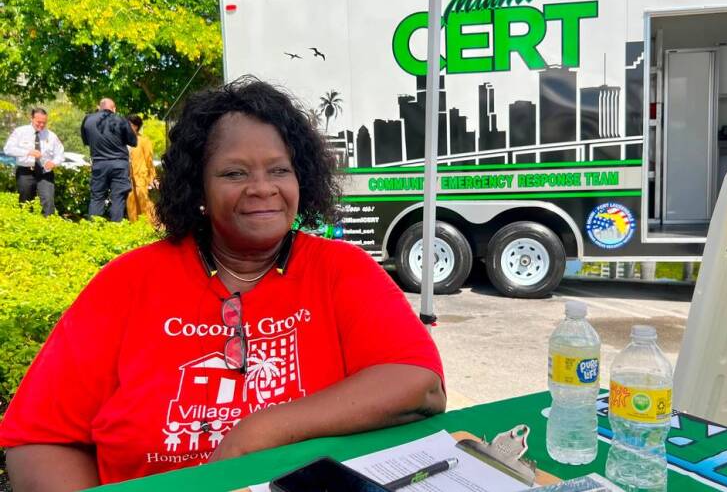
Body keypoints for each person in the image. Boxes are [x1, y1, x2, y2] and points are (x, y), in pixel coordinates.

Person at [0, 78, 446, 490]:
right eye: (234, 173)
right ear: (197, 187)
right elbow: (39, 438)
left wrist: (257, 432)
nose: (262, 188)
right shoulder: (127, 282)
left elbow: (419, 385)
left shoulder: (342, 269)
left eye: (279, 170)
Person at [81, 98, 137, 221]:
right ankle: (115, 230)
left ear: (98, 107)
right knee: (118, 197)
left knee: (97, 197)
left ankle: (93, 230)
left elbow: (86, 141)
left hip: (99, 163)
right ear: (114, 108)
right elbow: (133, 142)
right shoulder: (121, 119)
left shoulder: (87, 120)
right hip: (119, 164)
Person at [3, 108, 64, 216]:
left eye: (44, 123)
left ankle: (48, 226)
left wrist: (54, 162)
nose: (41, 125)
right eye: (38, 122)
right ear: (31, 119)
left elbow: (60, 154)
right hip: (25, 172)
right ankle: (26, 226)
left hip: (45, 173)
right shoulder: (20, 132)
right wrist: (28, 152)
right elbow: (7, 149)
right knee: (25, 203)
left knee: (48, 202)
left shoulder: (51, 136)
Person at [125, 114, 157, 223]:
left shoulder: (143, 140)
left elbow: (149, 160)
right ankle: (134, 226)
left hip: (141, 176)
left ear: (136, 126)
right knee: (131, 203)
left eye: (130, 125)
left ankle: (150, 224)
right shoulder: (123, 141)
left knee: (144, 202)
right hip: (128, 177)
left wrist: (152, 177)